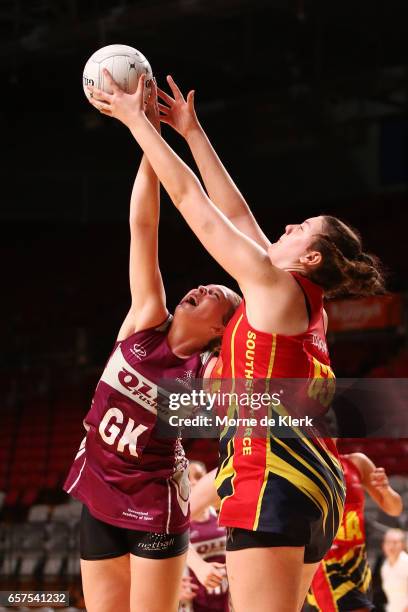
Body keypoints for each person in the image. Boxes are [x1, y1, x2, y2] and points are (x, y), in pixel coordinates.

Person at [87, 71, 385, 612]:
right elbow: (240, 215)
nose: (287, 226)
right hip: (315, 482)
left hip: (276, 475)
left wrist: (136, 122)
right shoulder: (295, 301)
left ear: (310, 259)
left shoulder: (274, 292)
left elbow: (193, 203)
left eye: (300, 229)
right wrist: (191, 131)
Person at [63, 83, 240, 612]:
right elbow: (144, 226)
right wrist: (150, 141)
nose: (206, 286)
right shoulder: (145, 322)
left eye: (219, 294)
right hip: (98, 485)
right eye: (206, 284)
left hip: (154, 501)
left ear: (219, 329)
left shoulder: (207, 369)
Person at [307, 451, 402, 612]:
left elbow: (395, 509)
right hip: (326, 563)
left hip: (357, 564)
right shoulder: (306, 463)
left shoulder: (357, 462)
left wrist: (385, 490)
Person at [179, 461, 228, 611]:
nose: (193, 482)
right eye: (187, 478)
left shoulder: (223, 514)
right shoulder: (175, 523)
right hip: (193, 602)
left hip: (226, 600)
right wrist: (171, 586)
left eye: (198, 477)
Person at [381, 529, 408, 612]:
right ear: (383, 545)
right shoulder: (385, 566)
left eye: (395, 542)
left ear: (403, 545)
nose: (391, 546)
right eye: (388, 542)